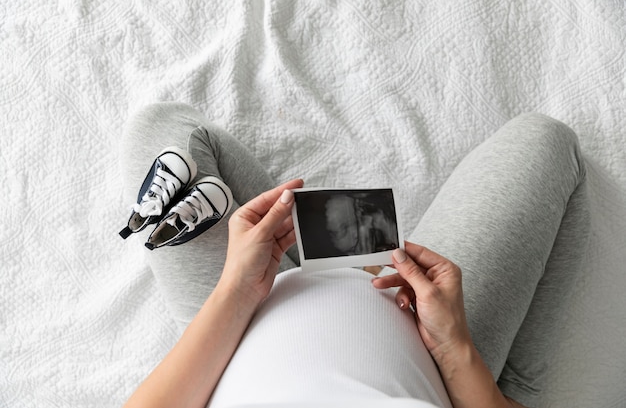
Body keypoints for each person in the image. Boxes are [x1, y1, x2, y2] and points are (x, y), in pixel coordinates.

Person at [119, 102, 590, 408]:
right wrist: (455, 349)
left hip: (238, 317)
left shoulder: (239, 294)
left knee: (161, 133)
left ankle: (313, 243)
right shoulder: (450, 348)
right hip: (436, 346)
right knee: (546, 141)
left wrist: (235, 294)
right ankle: (516, 390)